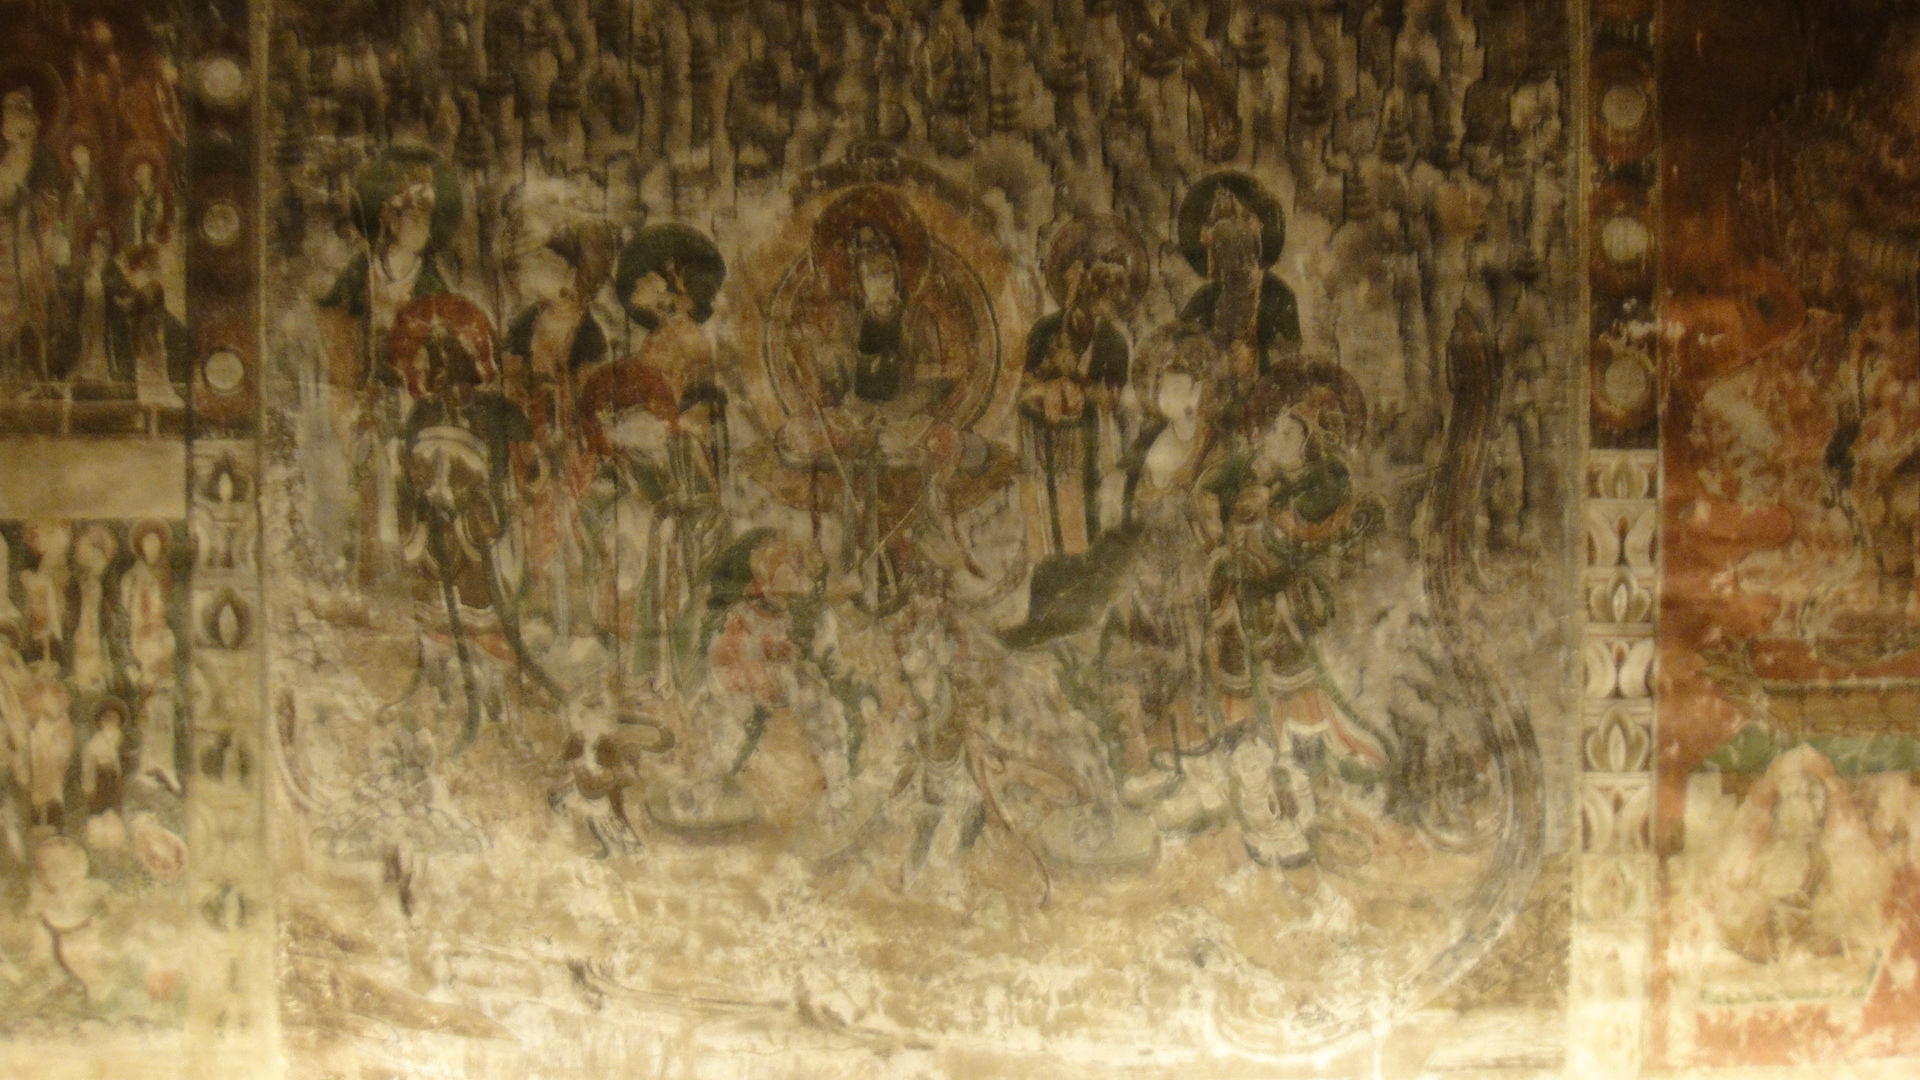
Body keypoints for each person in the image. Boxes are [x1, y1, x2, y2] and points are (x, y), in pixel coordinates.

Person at [1199, 370, 1386, 880]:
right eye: (1274, 428)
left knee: (1295, 696)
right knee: (1238, 694)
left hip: (1282, 606)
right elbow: (1207, 495)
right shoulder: (1249, 469)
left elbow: (1294, 536)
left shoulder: (1323, 483)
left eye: (1290, 432)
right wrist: (1220, 524)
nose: (1275, 439)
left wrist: (1262, 514)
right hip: (1238, 607)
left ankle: (1302, 794)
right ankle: (1253, 796)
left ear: (1310, 442)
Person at [317, 149, 459, 590]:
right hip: (368, 389)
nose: (422, 228)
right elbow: (335, 320)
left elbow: (445, 331)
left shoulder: (430, 278)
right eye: (414, 217)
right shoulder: (363, 271)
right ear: (391, 221)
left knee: (413, 474)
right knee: (366, 477)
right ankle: (366, 570)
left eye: (427, 219)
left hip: (413, 391)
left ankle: (419, 570)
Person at [501, 223, 614, 639]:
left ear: (570, 273)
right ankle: (536, 602)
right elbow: (510, 376)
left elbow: (593, 393)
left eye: (546, 263)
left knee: (571, 521)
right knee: (532, 519)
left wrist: (566, 421)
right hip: (528, 436)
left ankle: (582, 609)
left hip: (572, 443)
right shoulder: (525, 322)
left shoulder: (588, 330)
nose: (535, 270)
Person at [1019, 215, 1149, 560]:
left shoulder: (1112, 341)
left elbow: (1112, 398)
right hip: (1039, 439)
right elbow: (1022, 384)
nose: (1104, 307)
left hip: (1087, 445)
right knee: (1043, 520)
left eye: (1111, 298)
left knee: (1083, 526)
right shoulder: (1046, 329)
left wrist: (1078, 384)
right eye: (1100, 294)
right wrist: (1047, 387)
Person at [0, 86, 59, 386]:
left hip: (31, 242)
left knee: (34, 302)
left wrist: (33, 205)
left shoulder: (42, 158)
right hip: (4, 241)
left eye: (21, 123)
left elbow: (49, 201)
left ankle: (37, 373)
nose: (14, 130)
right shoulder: (5, 160)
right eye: (8, 122)